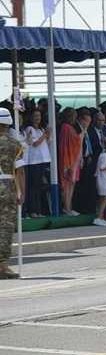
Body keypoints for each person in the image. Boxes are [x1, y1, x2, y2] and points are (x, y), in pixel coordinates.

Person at [0, 107, 25, 279]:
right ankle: (2, 265)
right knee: (5, 226)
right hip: (7, 186)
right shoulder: (15, 144)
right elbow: (20, 171)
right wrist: (21, 192)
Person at [23, 110, 50, 218]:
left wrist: (47, 135)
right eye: (35, 116)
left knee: (39, 186)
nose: (37, 118)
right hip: (34, 161)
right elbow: (35, 143)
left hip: (43, 160)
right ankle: (32, 210)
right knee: (33, 187)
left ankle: (38, 210)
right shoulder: (30, 129)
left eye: (39, 115)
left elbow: (46, 142)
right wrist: (45, 135)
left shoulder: (41, 129)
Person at [58, 108, 82, 216]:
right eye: (73, 116)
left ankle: (69, 207)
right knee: (66, 185)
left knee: (72, 184)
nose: (74, 118)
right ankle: (66, 207)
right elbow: (65, 144)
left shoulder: (71, 127)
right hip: (68, 159)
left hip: (74, 158)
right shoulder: (65, 127)